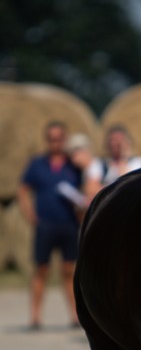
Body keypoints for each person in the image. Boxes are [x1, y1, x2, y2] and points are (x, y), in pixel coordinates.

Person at [17, 121, 82, 330]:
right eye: (52, 138)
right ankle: (35, 317)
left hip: (69, 224)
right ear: (47, 140)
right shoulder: (37, 164)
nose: (56, 142)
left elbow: (89, 186)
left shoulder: (74, 165)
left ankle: (75, 316)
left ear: (65, 140)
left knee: (69, 270)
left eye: (59, 138)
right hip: (45, 225)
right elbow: (23, 189)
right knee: (41, 269)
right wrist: (29, 214)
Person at [65, 133, 102, 207]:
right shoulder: (87, 170)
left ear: (84, 151)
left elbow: (92, 193)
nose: (73, 160)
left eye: (74, 155)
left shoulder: (94, 167)